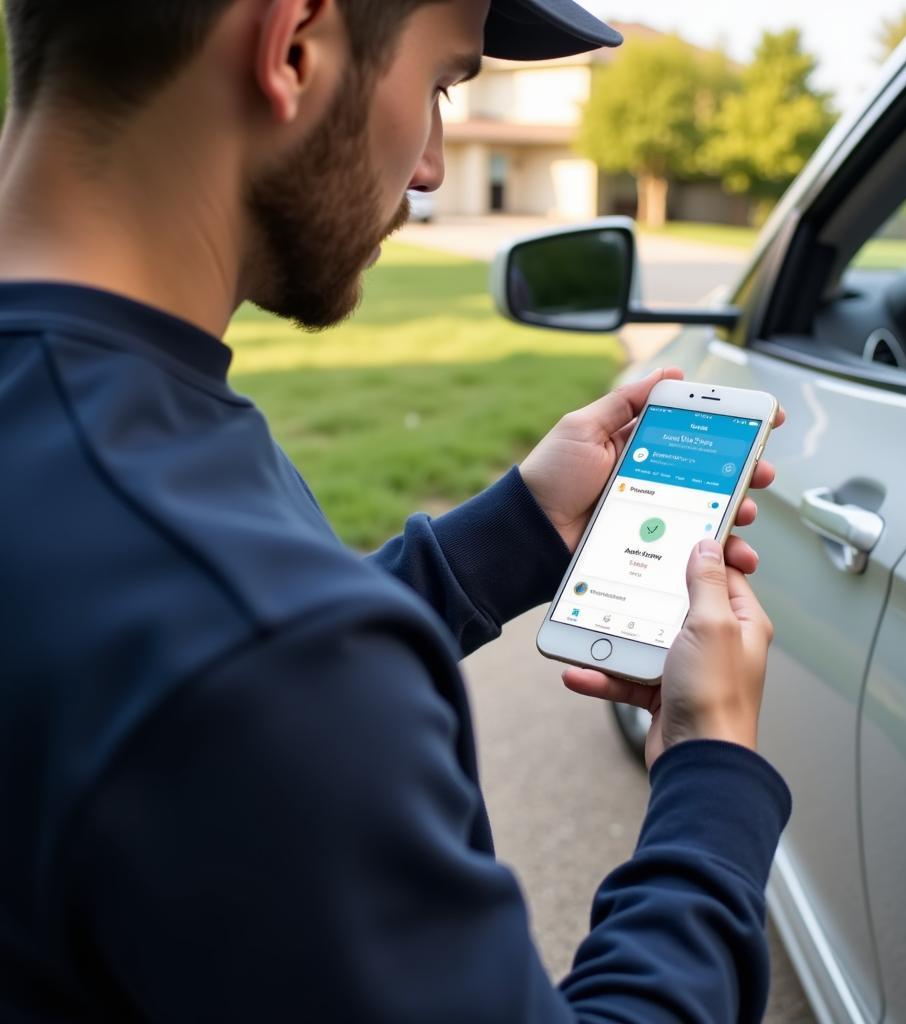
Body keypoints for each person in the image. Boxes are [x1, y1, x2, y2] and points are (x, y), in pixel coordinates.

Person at [0, 0, 791, 1020]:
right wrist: (711, 770)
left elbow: (169, 683)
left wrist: (515, 534)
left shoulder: (127, 475)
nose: (429, 167)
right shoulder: (258, 639)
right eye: (440, 85)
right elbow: (245, 667)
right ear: (293, 43)